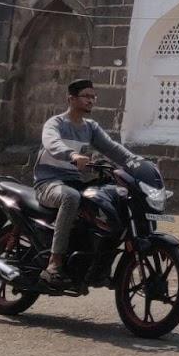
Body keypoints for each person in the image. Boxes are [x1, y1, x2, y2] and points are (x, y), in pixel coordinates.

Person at [34, 77, 138, 289]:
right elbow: (52, 143)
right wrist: (71, 155)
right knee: (71, 197)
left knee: (113, 199)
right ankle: (54, 262)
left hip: (74, 181)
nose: (91, 100)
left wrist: (137, 162)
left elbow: (112, 148)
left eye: (93, 96)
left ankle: (98, 267)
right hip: (49, 182)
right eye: (86, 96)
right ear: (71, 99)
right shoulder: (56, 123)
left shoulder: (90, 127)